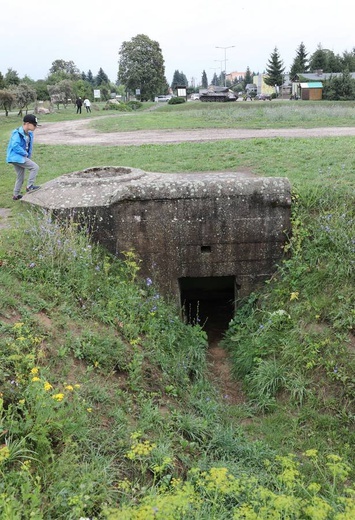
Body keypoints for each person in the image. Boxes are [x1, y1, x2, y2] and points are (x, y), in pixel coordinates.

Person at [6, 114, 41, 200]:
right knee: (35, 167)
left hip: (19, 157)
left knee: (20, 176)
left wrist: (28, 155)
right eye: (34, 125)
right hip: (16, 157)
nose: (35, 127)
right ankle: (29, 186)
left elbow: (28, 146)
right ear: (27, 123)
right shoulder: (17, 133)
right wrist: (24, 153)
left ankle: (16, 195)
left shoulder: (29, 134)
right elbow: (15, 145)